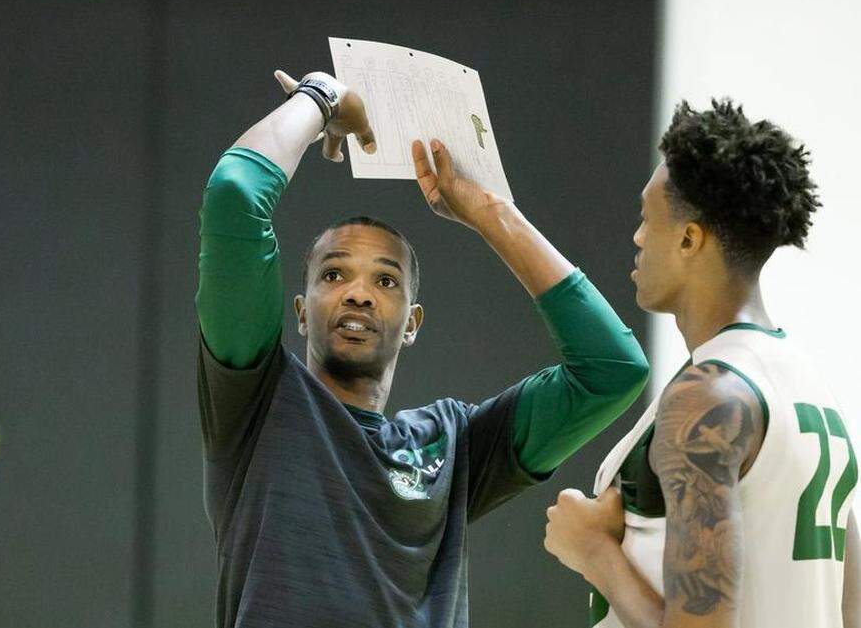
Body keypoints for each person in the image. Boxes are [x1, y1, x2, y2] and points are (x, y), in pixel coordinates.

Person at [196, 69, 649, 628]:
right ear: (300, 312)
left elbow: (613, 370)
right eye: (334, 275)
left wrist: (489, 213)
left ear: (412, 323)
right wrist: (320, 98)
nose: (359, 293)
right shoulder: (257, 400)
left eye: (385, 281)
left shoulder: (452, 445)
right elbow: (236, 194)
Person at [543, 99, 860, 628]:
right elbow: (852, 608)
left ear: (690, 239)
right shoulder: (808, 383)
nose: (638, 237)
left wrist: (594, 551)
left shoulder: (707, 396)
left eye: (648, 219)